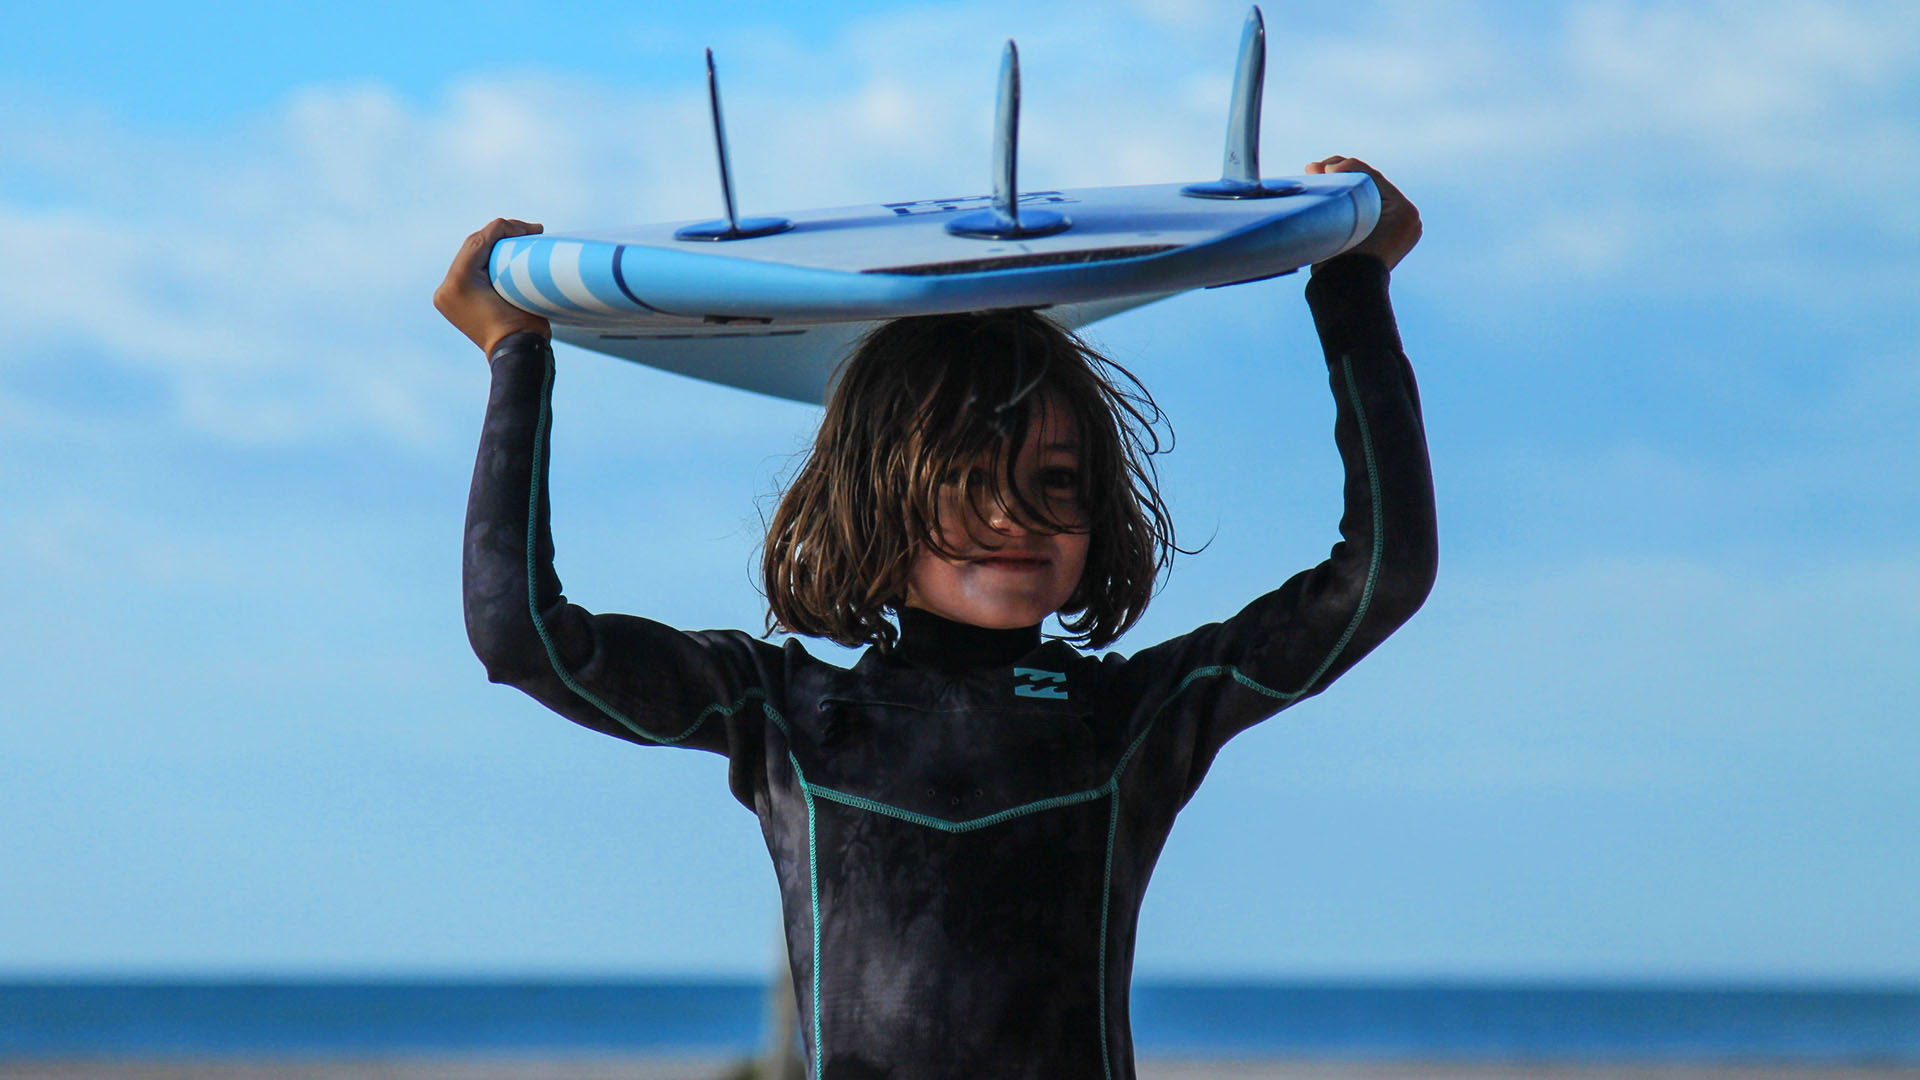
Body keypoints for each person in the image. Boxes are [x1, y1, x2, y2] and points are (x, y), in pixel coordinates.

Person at [436, 156, 1435, 1080]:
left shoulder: (1136, 718)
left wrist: (1352, 283)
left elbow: (1381, 574)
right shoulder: (781, 713)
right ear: (877, 498)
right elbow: (521, 633)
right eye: (966, 479)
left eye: (1055, 479)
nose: (1015, 515)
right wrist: (515, 350)